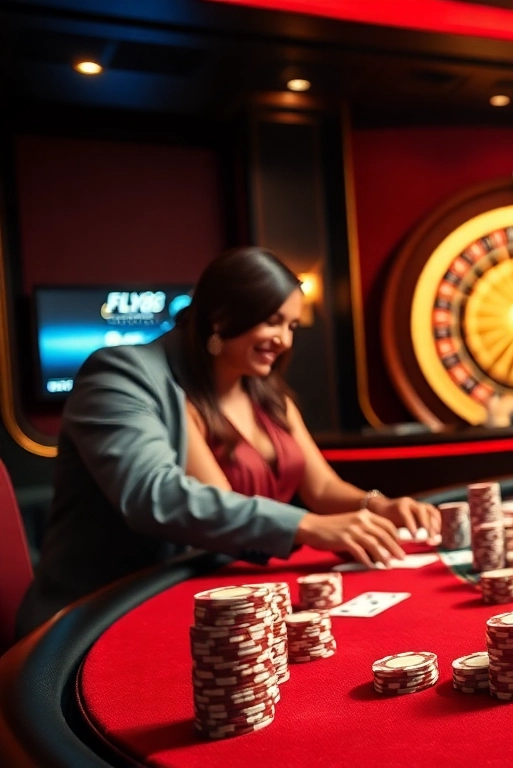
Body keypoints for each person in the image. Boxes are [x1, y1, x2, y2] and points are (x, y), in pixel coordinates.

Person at [17, 248, 442, 636]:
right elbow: (155, 495)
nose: (286, 339)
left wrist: (377, 505)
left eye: (292, 325)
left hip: (199, 590)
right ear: (221, 317)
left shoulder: (263, 389)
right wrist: (306, 525)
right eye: (273, 320)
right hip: (95, 617)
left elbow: (323, 488)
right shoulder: (121, 375)